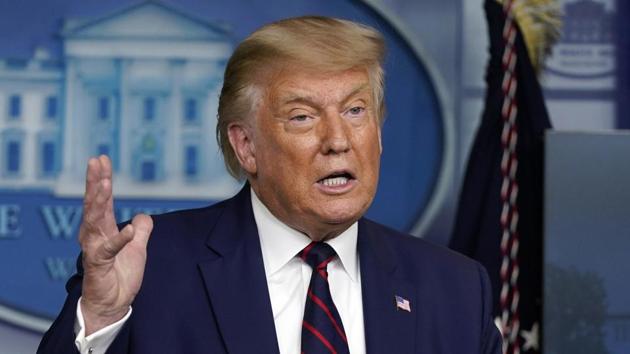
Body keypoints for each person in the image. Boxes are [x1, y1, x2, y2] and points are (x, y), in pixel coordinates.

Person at [38, 16, 501, 354]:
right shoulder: (152, 270)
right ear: (246, 147)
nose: (338, 140)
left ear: (378, 133)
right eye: (302, 117)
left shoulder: (456, 289)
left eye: (356, 111)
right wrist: (99, 319)